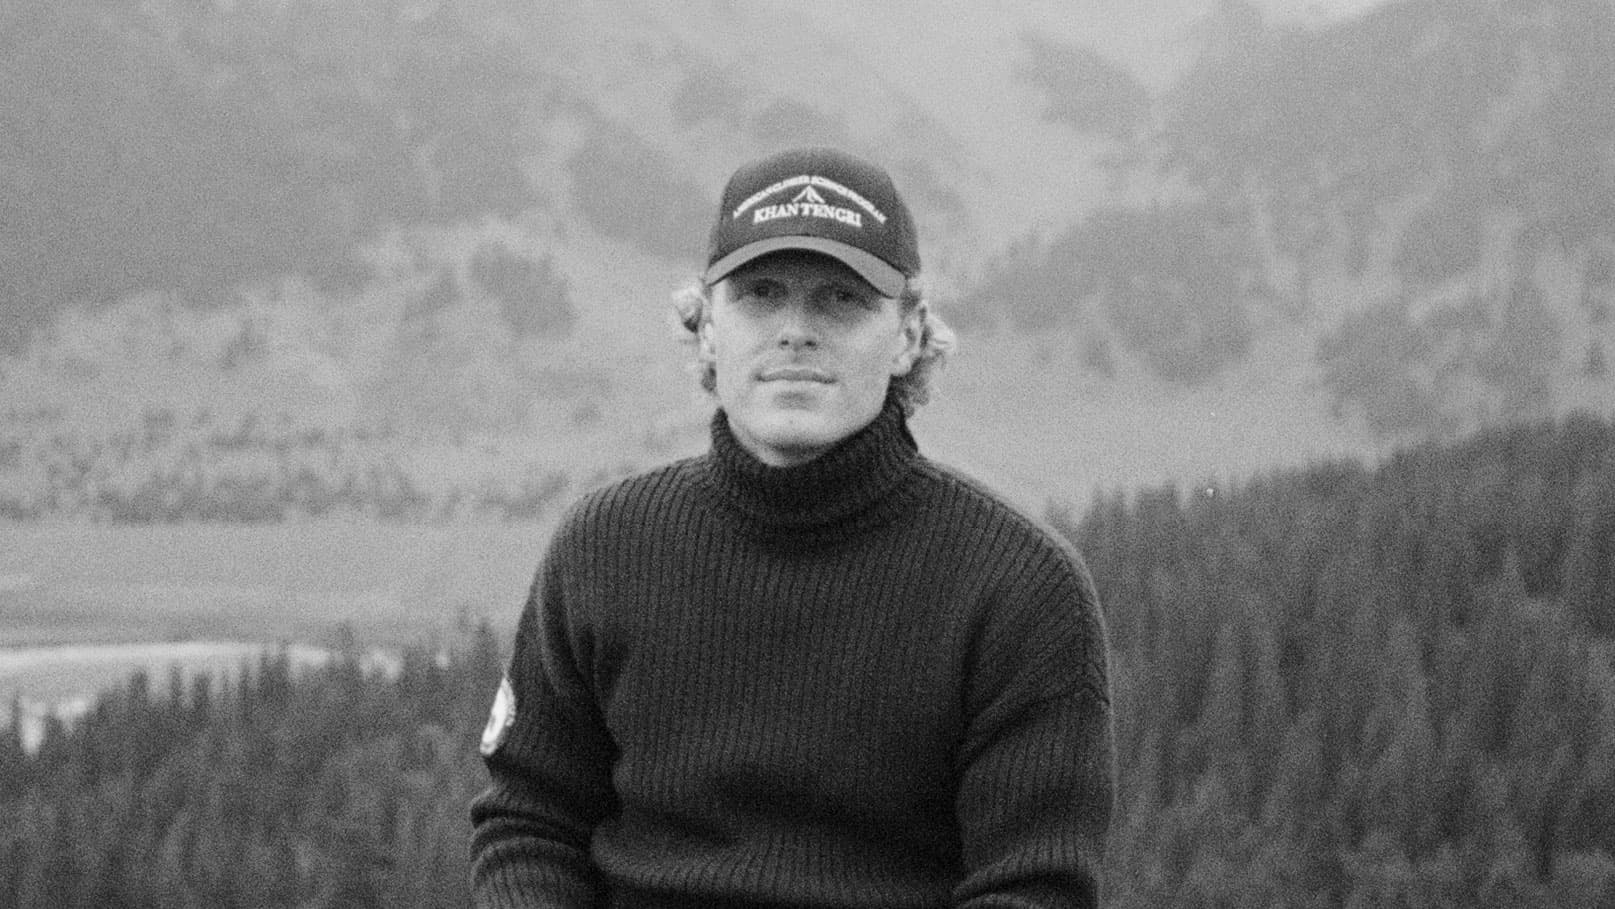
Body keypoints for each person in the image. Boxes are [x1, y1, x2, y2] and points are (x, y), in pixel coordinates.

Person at [470, 146, 1116, 907]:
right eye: (760, 294)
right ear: (707, 328)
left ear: (908, 334)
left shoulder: (1019, 589)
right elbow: (529, 822)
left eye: (842, 298)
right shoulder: (604, 547)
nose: (796, 330)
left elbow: (1033, 888)